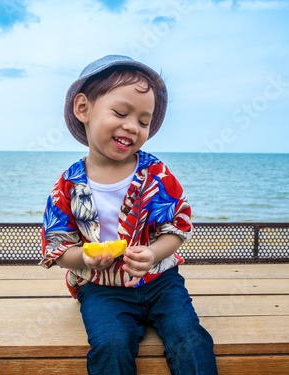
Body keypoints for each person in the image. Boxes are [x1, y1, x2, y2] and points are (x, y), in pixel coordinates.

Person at [39, 55, 218, 374]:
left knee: (191, 340)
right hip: (101, 287)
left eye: (144, 121)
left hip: (161, 280)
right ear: (84, 109)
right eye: (121, 113)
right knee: (110, 344)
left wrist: (152, 253)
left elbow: (177, 227)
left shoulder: (157, 174)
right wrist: (85, 258)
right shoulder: (67, 186)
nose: (132, 126)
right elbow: (58, 246)